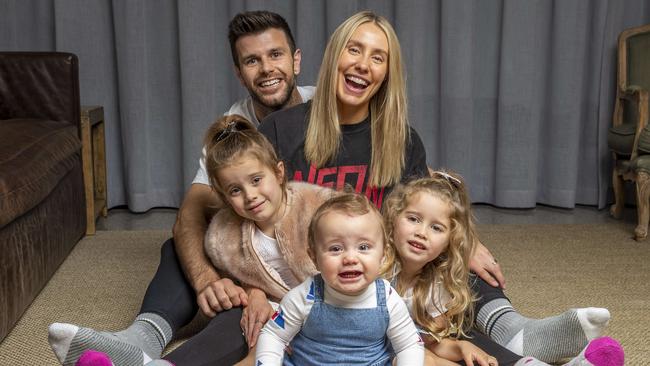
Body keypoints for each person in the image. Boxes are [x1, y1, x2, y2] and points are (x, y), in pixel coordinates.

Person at [48, 10, 315, 366]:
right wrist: (207, 280)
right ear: (239, 73)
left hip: (310, 263)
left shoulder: (324, 111)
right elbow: (190, 215)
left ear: (296, 60)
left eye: (276, 55)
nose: (266, 69)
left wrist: (258, 291)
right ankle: (141, 339)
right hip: (253, 253)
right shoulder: (231, 132)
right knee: (181, 245)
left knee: (251, 315)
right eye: (252, 60)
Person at [381, 172, 625, 366]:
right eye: (413, 219)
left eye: (436, 228)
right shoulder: (375, 268)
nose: (421, 233)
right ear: (393, 218)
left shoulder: (435, 287)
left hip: (409, 352)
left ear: (449, 242)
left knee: (465, 356)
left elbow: (430, 341)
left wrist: (459, 347)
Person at [255, 193, 424, 365]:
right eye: (335, 248)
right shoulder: (306, 295)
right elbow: (273, 336)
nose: (350, 258)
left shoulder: (387, 299)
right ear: (314, 258)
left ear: (383, 255)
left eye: (363, 247)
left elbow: (409, 345)